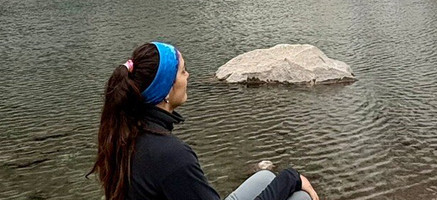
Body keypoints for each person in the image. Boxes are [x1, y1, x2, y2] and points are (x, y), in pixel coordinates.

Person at [91, 41, 320, 200]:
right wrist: (292, 178)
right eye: (182, 71)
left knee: (265, 177)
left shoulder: (126, 130)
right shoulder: (171, 154)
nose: (188, 76)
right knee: (298, 194)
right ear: (166, 90)